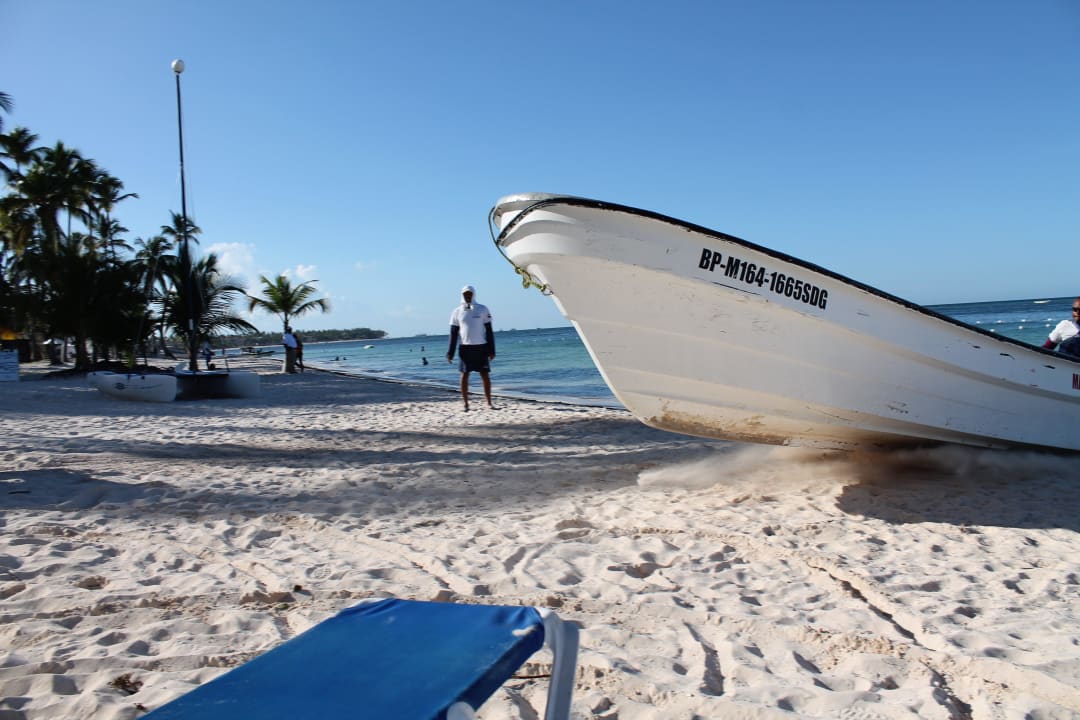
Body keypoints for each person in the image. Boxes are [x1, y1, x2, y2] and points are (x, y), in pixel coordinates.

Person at [447, 284, 496, 411]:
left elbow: (489, 331)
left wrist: (492, 350)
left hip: (481, 347)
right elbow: (453, 333)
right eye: (465, 294)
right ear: (462, 295)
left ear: (473, 294)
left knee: (485, 375)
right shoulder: (457, 312)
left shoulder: (483, 309)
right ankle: (466, 404)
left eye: (470, 293)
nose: (468, 296)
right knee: (464, 376)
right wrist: (450, 352)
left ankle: (489, 403)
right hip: (465, 348)